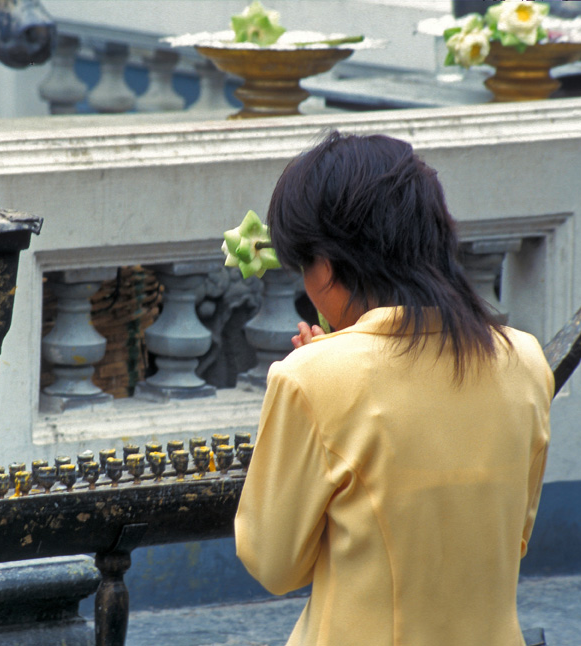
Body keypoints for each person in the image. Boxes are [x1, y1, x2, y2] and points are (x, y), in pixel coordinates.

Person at [234, 131, 553, 645]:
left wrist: (320, 366)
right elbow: (512, 539)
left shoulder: (311, 376)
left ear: (328, 264)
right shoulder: (525, 359)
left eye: (303, 267)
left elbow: (273, 563)